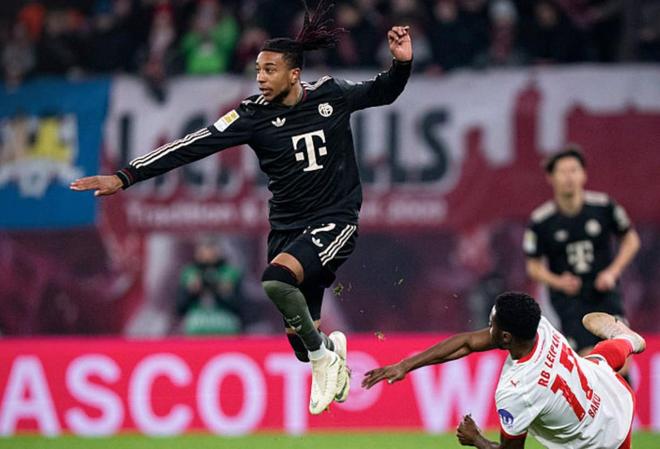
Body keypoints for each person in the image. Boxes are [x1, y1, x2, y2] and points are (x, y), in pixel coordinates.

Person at [70, 0, 413, 415]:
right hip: (286, 229)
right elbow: (192, 145)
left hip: (334, 220)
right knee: (300, 342)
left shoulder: (331, 95)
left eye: (269, 70)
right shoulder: (251, 115)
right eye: (257, 70)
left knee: (276, 280)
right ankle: (327, 352)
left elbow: (384, 90)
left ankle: (323, 358)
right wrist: (125, 176)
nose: (261, 78)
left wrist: (401, 64)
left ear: (294, 73)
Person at [362, 291, 644, 449]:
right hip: (613, 393)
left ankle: (624, 340)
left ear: (506, 337)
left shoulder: (517, 391)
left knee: (594, 362)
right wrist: (406, 365)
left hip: (601, 440)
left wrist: (476, 439)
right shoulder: (539, 326)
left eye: (492, 323)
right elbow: (467, 343)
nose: (489, 326)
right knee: (595, 362)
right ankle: (627, 340)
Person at [523, 146, 641, 357]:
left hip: (604, 292)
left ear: (584, 174)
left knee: (621, 355)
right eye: (563, 172)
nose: (569, 177)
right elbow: (533, 266)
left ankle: (624, 379)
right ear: (550, 177)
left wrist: (612, 272)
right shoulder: (541, 221)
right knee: (589, 357)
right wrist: (558, 282)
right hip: (570, 300)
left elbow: (631, 240)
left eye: (574, 170)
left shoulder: (603, 206)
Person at [176, 238, 243, 336]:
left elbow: (240, 306)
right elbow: (180, 307)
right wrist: (191, 292)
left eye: (212, 250)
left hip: (224, 320)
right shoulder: (189, 272)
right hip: (196, 321)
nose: (208, 254)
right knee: (192, 324)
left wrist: (224, 293)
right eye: (205, 250)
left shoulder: (230, 272)